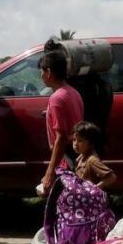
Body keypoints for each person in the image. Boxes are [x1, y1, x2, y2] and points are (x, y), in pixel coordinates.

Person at [39, 51, 85, 196]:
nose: (41, 75)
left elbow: (61, 138)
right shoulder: (73, 92)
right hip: (75, 156)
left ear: (49, 72)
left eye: (42, 71)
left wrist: (49, 173)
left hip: (65, 161)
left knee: (63, 206)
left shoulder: (56, 98)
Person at [72, 121, 116, 189]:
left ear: (91, 143)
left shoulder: (92, 160)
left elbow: (112, 177)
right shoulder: (81, 157)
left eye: (80, 141)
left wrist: (95, 188)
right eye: (74, 140)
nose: (75, 144)